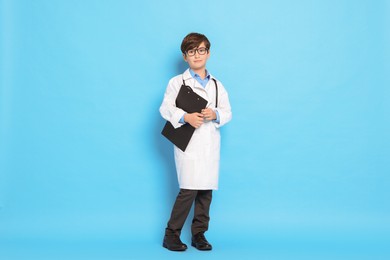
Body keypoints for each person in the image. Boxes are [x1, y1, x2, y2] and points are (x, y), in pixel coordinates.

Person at [159, 32, 232, 251]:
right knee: (188, 189)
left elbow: (228, 112)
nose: (197, 55)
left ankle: (199, 235)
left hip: (209, 143)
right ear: (185, 57)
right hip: (188, 144)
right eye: (191, 51)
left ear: (208, 53)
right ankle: (171, 235)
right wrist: (185, 117)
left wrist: (215, 114)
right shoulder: (177, 82)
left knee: (205, 192)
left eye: (201, 50)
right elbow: (165, 108)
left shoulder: (218, 85)